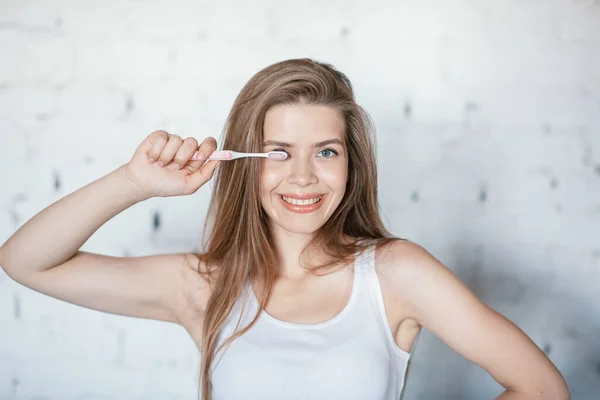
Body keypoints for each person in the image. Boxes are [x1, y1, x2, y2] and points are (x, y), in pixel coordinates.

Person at [0, 58, 569, 400]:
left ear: (352, 163)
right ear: (246, 161)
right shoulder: (203, 285)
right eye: (279, 151)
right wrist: (135, 182)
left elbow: (543, 388)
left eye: (326, 150)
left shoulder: (395, 273)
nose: (303, 176)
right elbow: (25, 261)